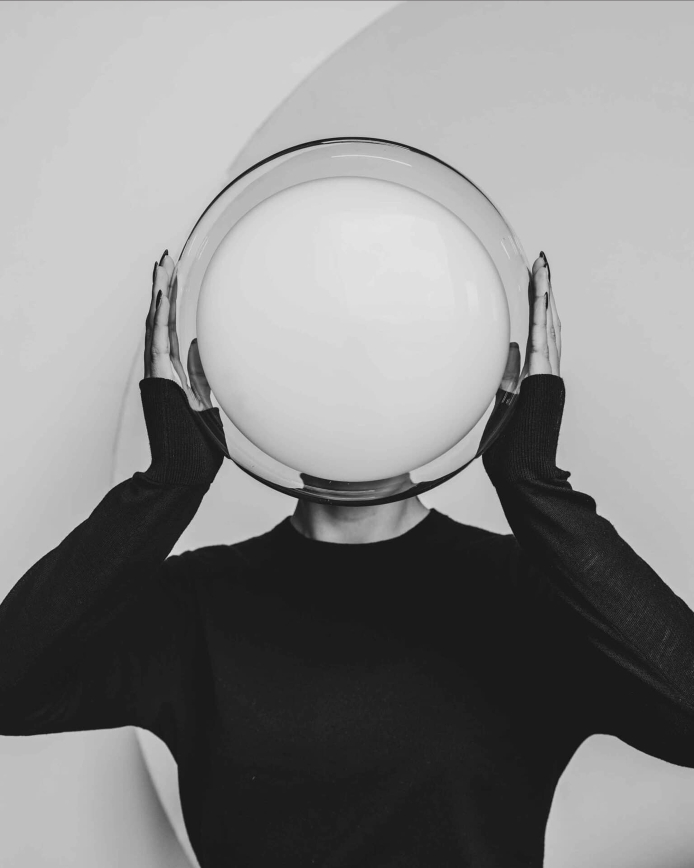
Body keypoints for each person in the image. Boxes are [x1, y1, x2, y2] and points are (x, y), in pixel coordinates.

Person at [1, 248, 693, 868]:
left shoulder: (530, 595)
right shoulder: (197, 605)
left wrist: (535, 486)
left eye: (387, 353)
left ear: (468, 372)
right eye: (313, 353)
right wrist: (167, 485)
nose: (351, 385)